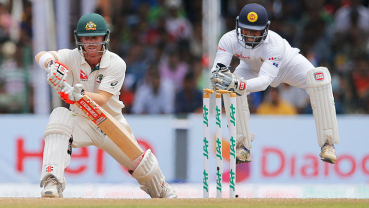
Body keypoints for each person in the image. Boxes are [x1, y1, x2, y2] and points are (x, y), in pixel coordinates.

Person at [35, 13, 177, 198]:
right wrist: (51, 65)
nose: (91, 43)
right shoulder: (71, 57)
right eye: (86, 38)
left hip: (110, 123)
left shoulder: (116, 63)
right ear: (79, 39)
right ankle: (52, 181)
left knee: (142, 167)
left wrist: (77, 95)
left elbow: (102, 99)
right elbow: (41, 55)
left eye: (95, 37)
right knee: (59, 116)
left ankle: (161, 187)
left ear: (104, 38)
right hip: (82, 122)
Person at [210, 3, 339, 165]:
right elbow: (217, 71)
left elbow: (265, 82)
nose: (249, 35)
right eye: (246, 30)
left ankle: (328, 143)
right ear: (238, 26)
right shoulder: (228, 39)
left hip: (288, 66)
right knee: (232, 88)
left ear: (265, 29)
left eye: (255, 31)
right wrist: (221, 79)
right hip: (251, 68)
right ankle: (241, 145)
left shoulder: (274, 44)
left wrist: (239, 85)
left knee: (319, 79)